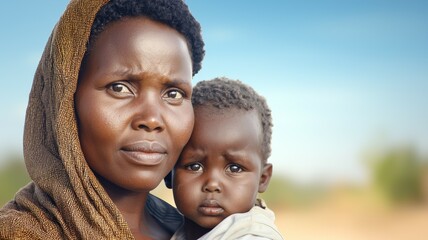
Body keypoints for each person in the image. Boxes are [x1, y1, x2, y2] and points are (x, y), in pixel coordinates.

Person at [0, 0, 204, 239]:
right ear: (63, 101)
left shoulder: (202, 232)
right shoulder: (22, 233)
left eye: (173, 94)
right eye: (119, 88)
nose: (151, 119)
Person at [170, 77, 284, 239]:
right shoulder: (172, 227)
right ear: (169, 174)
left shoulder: (252, 236)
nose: (212, 184)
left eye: (234, 168)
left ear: (262, 178)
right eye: (195, 166)